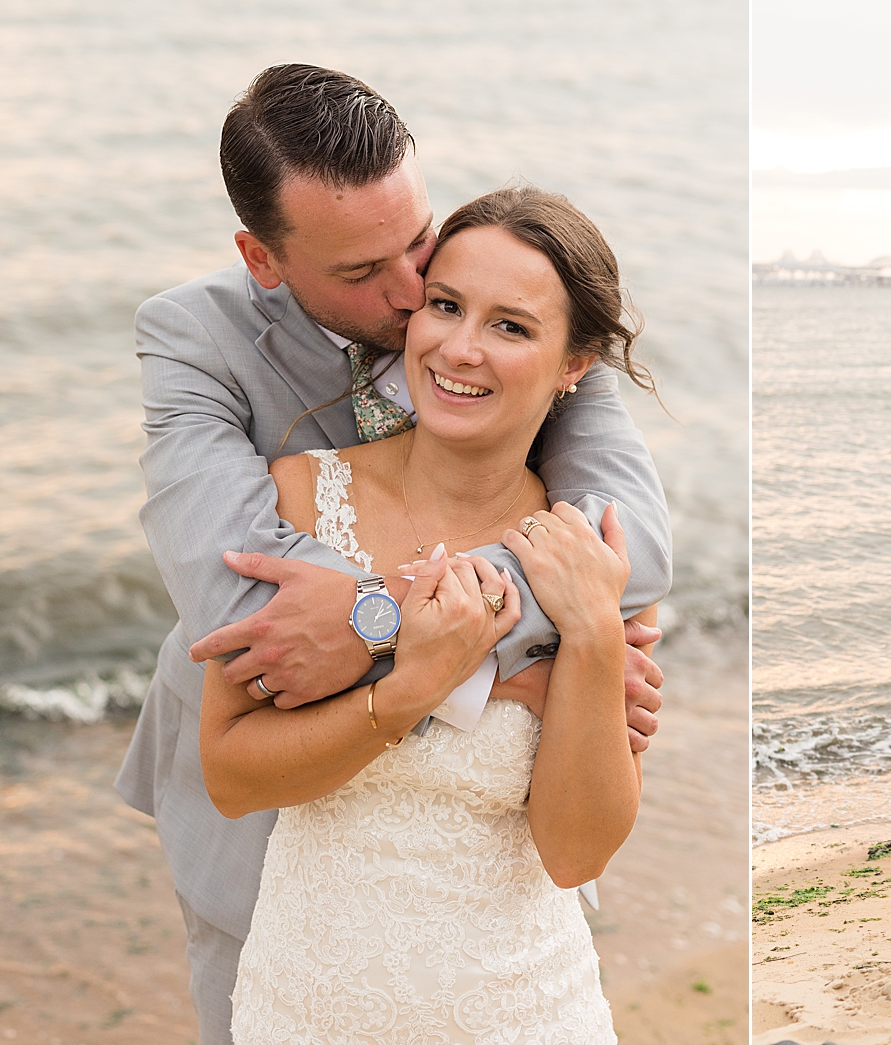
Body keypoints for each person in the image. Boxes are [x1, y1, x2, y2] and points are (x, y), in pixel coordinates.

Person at [114, 65, 671, 1045]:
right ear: (264, 258)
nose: (416, 296)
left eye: (416, 241)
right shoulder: (192, 338)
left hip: (488, 926)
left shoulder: (503, 285)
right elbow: (240, 603)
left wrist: (533, 641)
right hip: (266, 848)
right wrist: (480, 672)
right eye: (368, 273)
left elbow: (635, 546)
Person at [203, 186, 641, 1041]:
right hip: (303, 1007)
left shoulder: (580, 557)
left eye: (511, 326)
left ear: (573, 363)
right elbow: (231, 775)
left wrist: (594, 635)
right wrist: (411, 689)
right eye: (444, 305)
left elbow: (576, 852)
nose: (459, 348)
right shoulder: (300, 494)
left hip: (523, 1010)